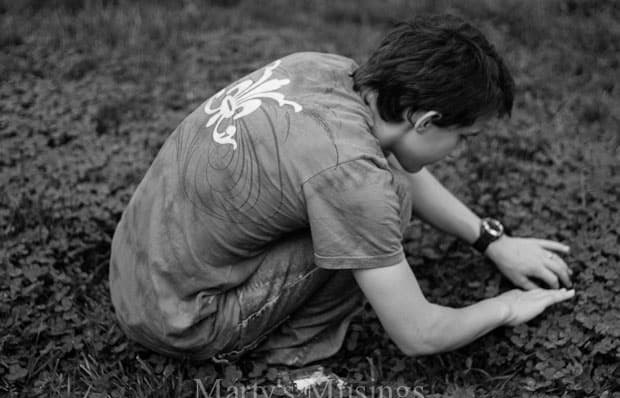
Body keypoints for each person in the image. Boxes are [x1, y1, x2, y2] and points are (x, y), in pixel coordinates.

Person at [108, 14, 575, 367]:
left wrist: (493, 241)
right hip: (182, 320)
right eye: (464, 137)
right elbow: (420, 335)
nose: (461, 150)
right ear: (426, 120)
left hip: (135, 273)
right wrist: (507, 307)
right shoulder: (354, 178)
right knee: (376, 205)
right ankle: (293, 359)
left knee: (385, 191)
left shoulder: (323, 70)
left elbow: (383, 166)